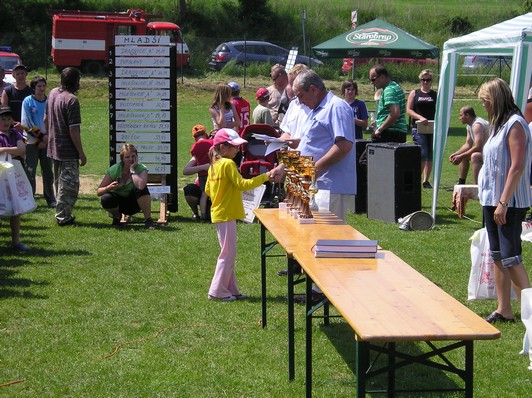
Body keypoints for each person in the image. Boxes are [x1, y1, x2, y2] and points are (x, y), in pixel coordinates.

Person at [477, 78, 532, 323]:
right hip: (491, 199)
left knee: (512, 257)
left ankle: (531, 314)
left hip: (508, 201)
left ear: (496, 99)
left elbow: (517, 166)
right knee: (498, 255)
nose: (484, 107)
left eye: (486, 101)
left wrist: (504, 201)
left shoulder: (515, 124)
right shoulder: (498, 125)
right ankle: (504, 309)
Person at [205, 128, 279, 302]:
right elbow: (242, 184)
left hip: (219, 213)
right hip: (226, 214)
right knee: (227, 254)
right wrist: (265, 177)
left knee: (228, 252)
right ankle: (217, 291)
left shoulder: (214, 165)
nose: (237, 150)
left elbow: (208, 190)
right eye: (234, 147)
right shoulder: (228, 164)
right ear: (222, 148)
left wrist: (223, 193)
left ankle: (231, 289)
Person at [290, 69, 357, 222]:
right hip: (314, 185)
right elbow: (310, 144)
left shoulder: (336, 107)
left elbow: (344, 145)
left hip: (328, 188)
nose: (299, 101)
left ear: (313, 89)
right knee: (313, 239)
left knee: (329, 239)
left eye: (300, 95)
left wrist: (313, 170)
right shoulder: (315, 110)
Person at [45, 67, 86, 226]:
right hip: (67, 150)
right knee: (69, 185)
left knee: (59, 183)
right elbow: (73, 130)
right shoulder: (71, 100)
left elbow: (45, 119)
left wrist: (50, 137)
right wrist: (81, 153)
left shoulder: (53, 93)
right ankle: (63, 217)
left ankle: (62, 213)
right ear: (75, 81)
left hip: (54, 146)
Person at [96, 143, 154, 229]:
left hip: (135, 204)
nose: (131, 159)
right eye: (127, 157)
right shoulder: (114, 169)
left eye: (133, 156)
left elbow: (141, 186)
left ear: (137, 157)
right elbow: (99, 192)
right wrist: (109, 188)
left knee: (141, 187)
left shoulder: (142, 168)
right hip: (119, 204)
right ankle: (116, 217)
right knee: (106, 198)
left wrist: (132, 170)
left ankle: (148, 220)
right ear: (122, 159)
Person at [21, 76, 56, 207]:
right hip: (31, 141)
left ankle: (50, 198)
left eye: (43, 86)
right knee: (30, 170)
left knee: (48, 171)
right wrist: (41, 138)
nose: (41, 89)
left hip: (47, 141)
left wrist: (47, 139)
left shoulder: (49, 101)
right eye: (39, 86)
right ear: (34, 88)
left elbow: (53, 122)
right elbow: (26, 123)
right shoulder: (28, 101)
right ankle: (30, 198)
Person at [0, 105, 29, 251]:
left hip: (14, 176)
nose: (6, 122)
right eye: (3, 119)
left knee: (16, 208)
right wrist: (13, 151)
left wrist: (4, 150)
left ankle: (16, 241)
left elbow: (22, 150)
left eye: (8, 119)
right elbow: (17, 151)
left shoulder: (14, 134)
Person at [406, 69, 437, 189]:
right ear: (420, 80)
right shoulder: (415, 93)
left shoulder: (435, 95)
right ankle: (416, 179)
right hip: (418, 127)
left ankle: (426, 181)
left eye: (428, 79)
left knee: (429, 154)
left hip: (431, 126)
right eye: (423, 79)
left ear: (431, 81)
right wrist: (420, 118)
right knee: (422, 153)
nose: (425, 82)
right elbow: (409, 110)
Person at [449, 106, 490, 185]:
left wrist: (461, 156)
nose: (459, 118)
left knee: (475, 156)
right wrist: (457, 154)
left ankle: (477, 186)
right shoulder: (469, 125)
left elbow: (478, 146)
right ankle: (461, 184)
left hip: (491, 153)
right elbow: (468, 144)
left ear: (467, 115)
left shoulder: (477, 125)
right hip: (484, 151)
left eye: (461, 115)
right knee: (463, 156)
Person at [369, 65, 408, 143]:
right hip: (398, 132)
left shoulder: (389, 90)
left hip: (389, 133)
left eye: (373, 79)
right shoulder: (396, 86)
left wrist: (380, 129)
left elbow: (395, 113)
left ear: (382, 77)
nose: (371, 83)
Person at [182, 125, 212, 221]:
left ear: (194, 137)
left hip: (202, 176)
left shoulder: (195, 147)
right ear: (205, 133)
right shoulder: (212, 143)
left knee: (204, 194)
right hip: (214, 174)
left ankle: (202, 214)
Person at [279, 64, 311, 149]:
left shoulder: (315, 106)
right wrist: (277, 141)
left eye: (293, 84)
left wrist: (301, 143)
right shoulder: (293, 104)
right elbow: (287, 132)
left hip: (308, 159)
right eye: (289, 84)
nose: (292, 88)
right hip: (293, 159)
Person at [1, 64, 32, 132]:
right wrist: (14, 123)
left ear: (26, 74)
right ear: (13, 75)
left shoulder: (31, 91)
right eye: (18, 74)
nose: (20, 76)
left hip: (29, 128)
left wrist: (23, 126)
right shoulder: (7, 91)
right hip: (11, 128)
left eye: (22, 73)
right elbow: (4, 111)